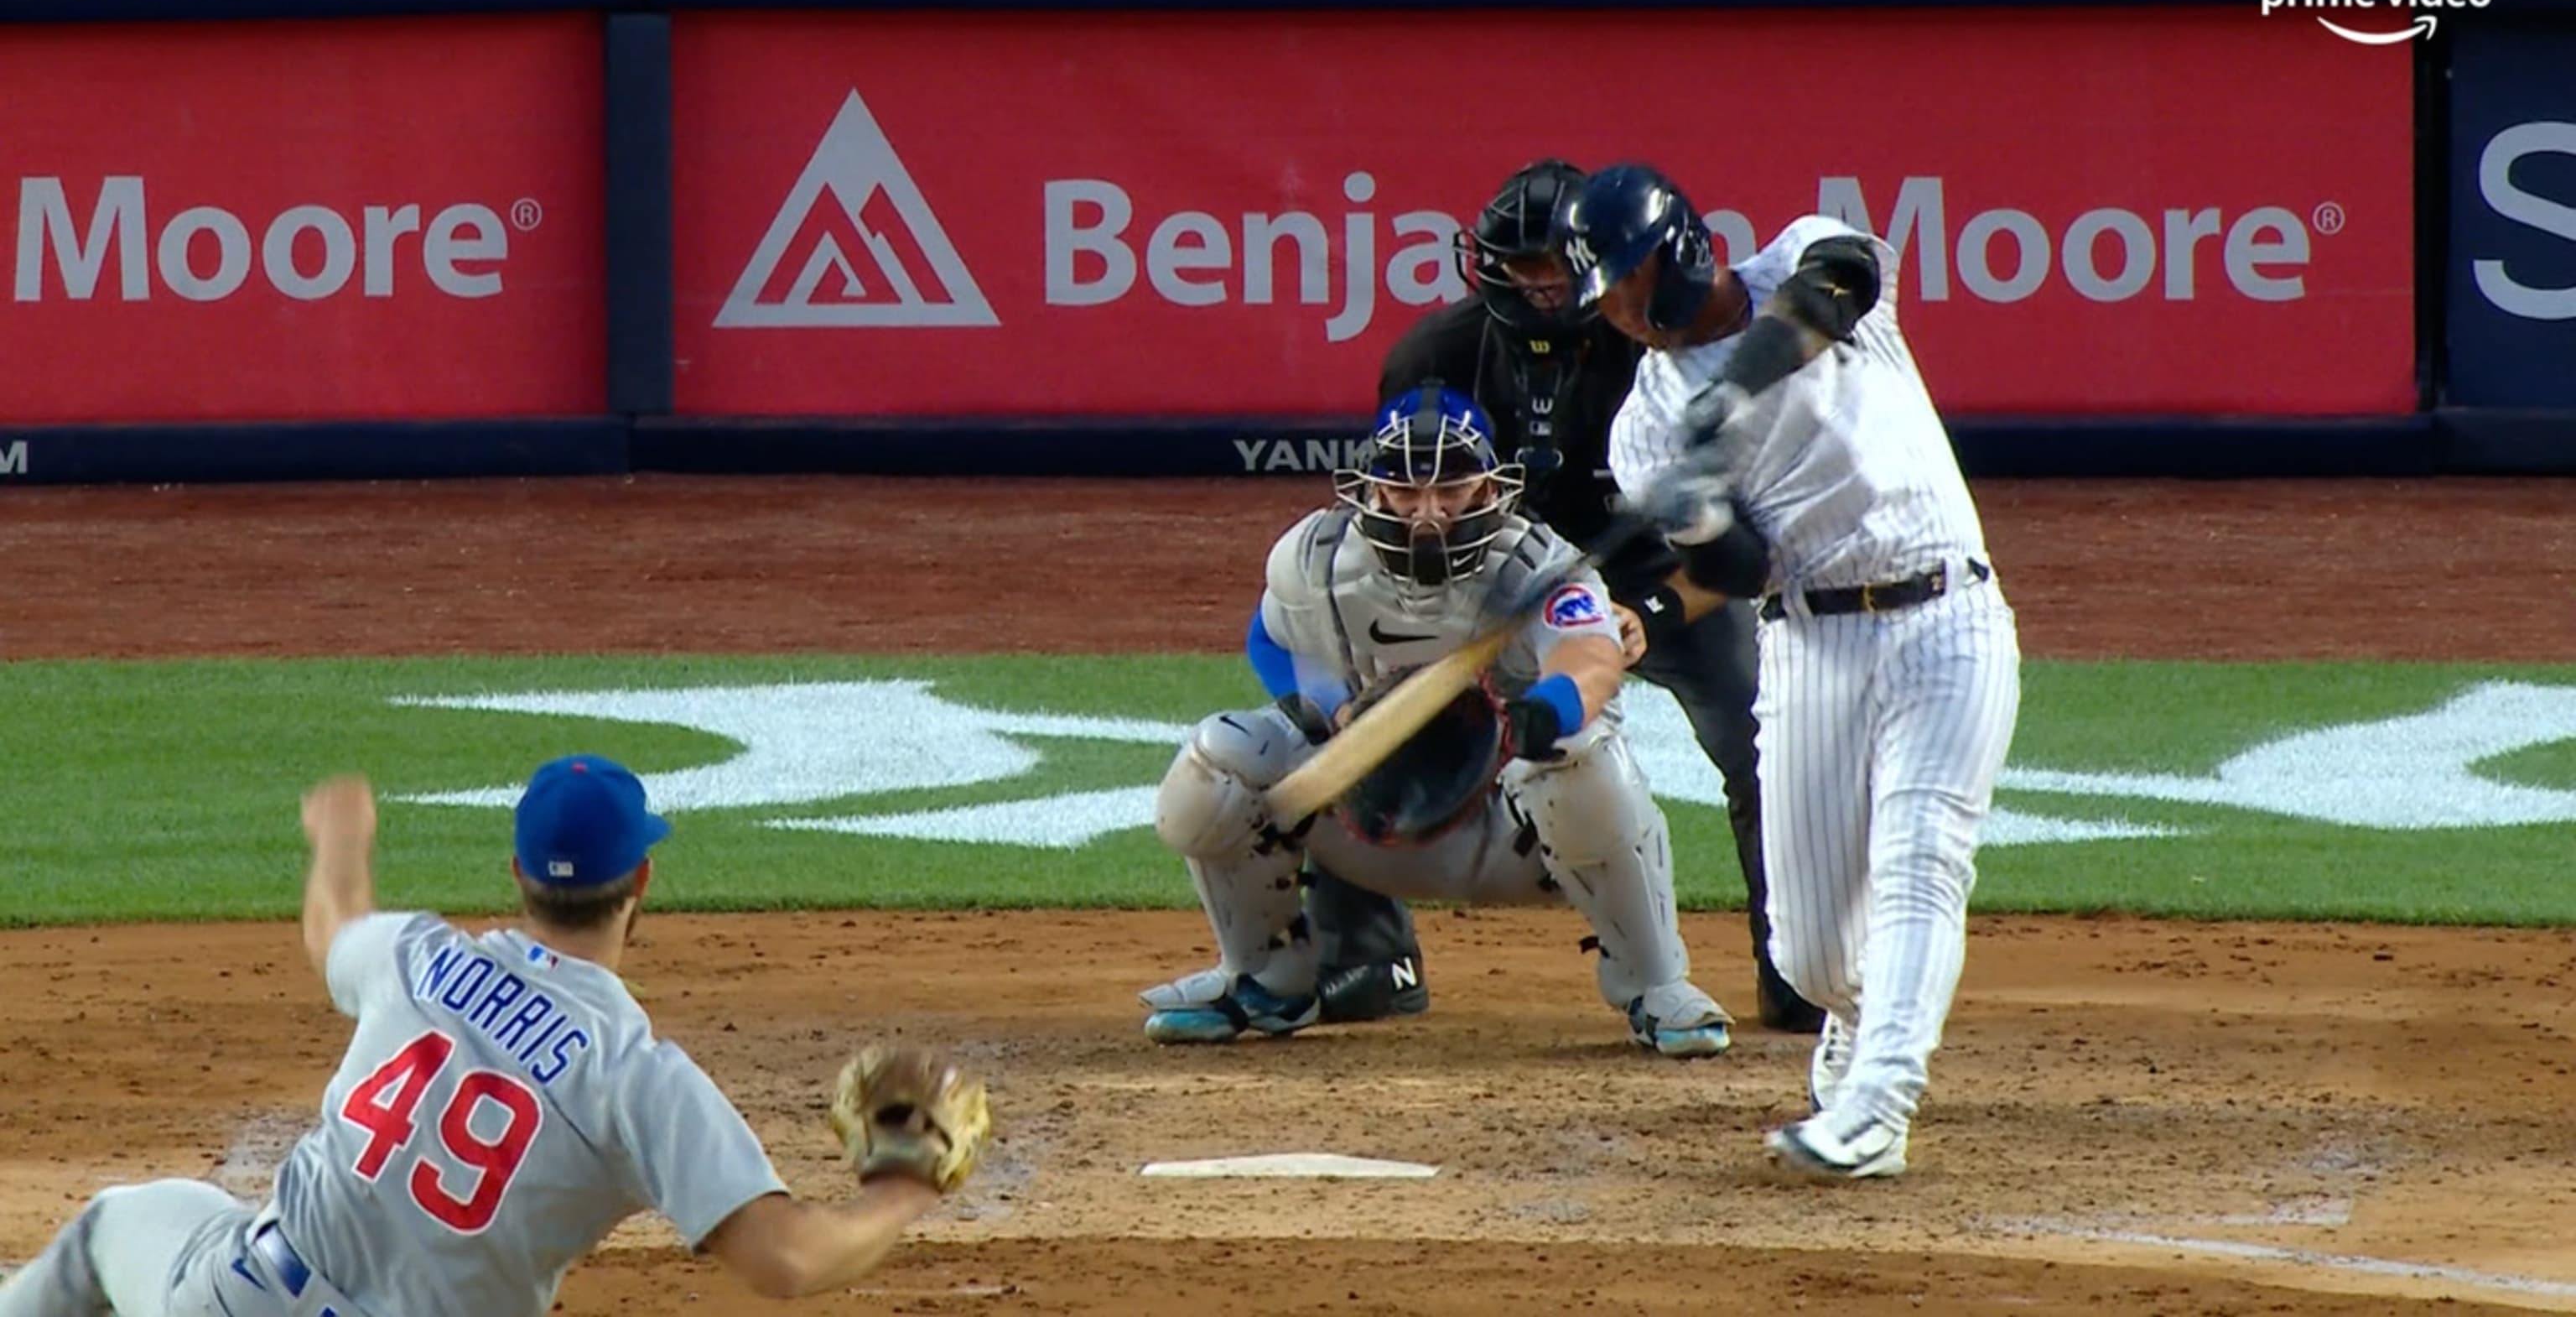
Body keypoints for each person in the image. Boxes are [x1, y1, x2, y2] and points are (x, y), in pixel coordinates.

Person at [0, 755, 989, 1315]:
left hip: (238, 1299)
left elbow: (332, 927)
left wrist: (342, 832)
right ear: (642, 883)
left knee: (117, 1227)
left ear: (515, 870)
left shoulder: (420, 957)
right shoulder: (637, 1077)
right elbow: (784, 1260)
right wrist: (900, 1187)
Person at [1280, 158, 1826, 1034]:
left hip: (1665, 573)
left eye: (1555, 269)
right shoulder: (1436, 356)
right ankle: (1368, 957)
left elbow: (1746, 550)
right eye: (1518, 267)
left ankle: (1797, 967)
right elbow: (1401, 506)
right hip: (1499, 578)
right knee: (1375, 708)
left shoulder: (1663, 355)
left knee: (1760, 733)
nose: (1538, 287)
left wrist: (1647, 617)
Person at [1561, 163, 2024, 1179]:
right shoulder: (1644, 427)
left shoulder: (1796, 259)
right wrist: (1698, 507)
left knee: (1920, 864)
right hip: (1810, 642)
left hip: (1947, 615)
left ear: (1673, 256)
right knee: (1808, 951)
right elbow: (1737, 572)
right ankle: (1858, 1030)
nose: (1621, 317)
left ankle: (1880, 1105)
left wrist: (1733, 393)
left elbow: (1839, 283)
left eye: (1625, 285)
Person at [1133, 383, 1734, 1059]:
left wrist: (1540, 714)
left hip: (1514, 833)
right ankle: (1265, 980)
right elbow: (1270, 638)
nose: (1429, 513)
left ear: (1488, 487)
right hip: (1368, 816)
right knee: (1220, 761)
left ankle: (1653, 985)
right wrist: (1338, 713)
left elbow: (1592, 658)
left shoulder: (1538, 565)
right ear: (1371, 487)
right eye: (1406, 490)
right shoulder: (1316, 559)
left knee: (1587, 761)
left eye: (1451, 488)